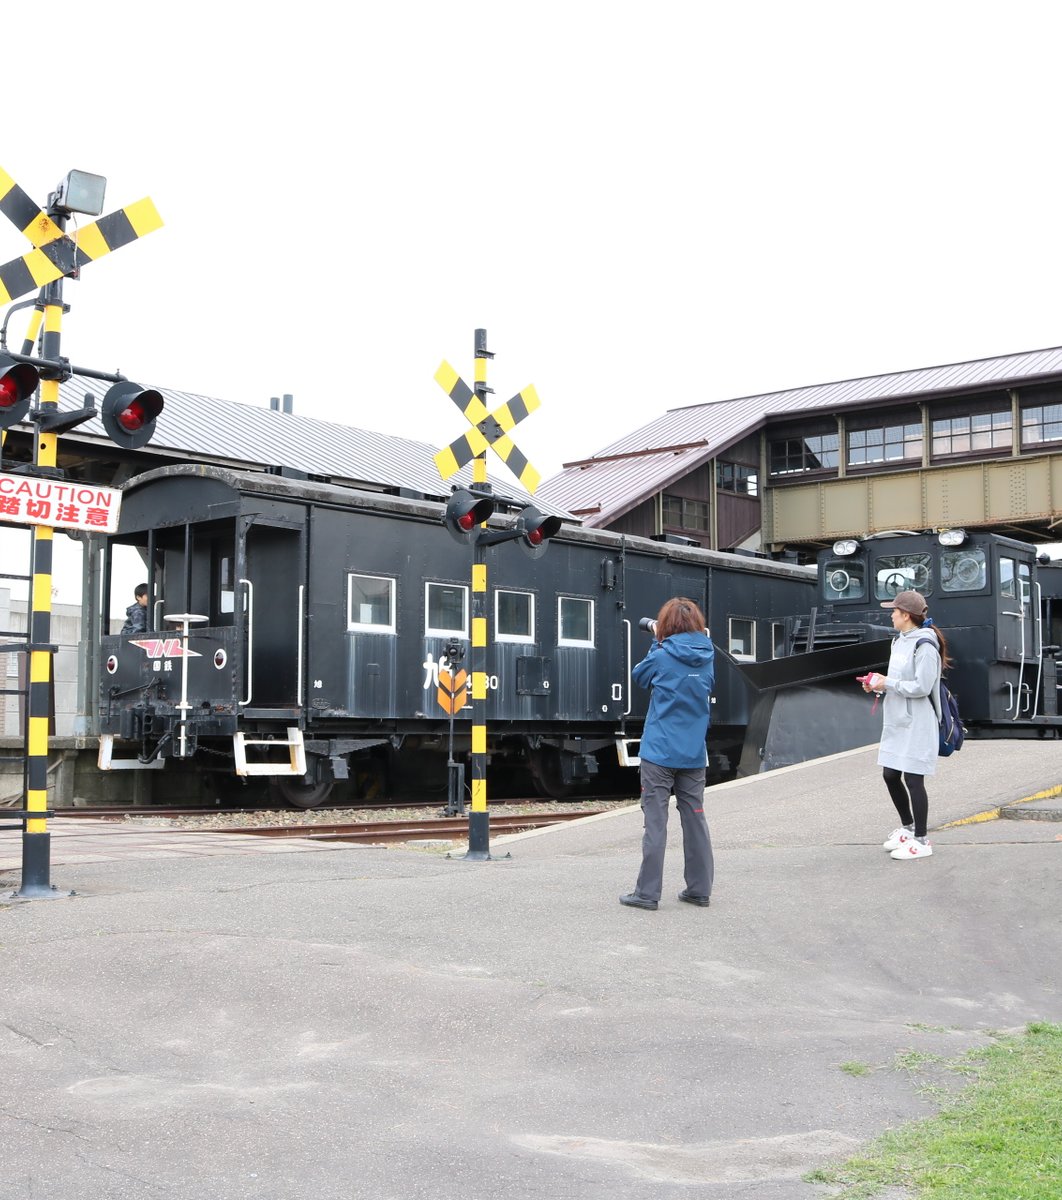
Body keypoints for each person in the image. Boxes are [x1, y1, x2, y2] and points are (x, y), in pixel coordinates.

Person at [620, 596, 716, 910]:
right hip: (693, 752)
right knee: (695, 819)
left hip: (659, 751)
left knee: (656, 822)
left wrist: (656, 644)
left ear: (666, 627)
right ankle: (699, 890)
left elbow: (639, 676)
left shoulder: (661, 655)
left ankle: (647, 894)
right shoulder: (708, 652)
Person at [862, 589, 950, 862]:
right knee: (890, 774)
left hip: (917, 721)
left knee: (913, 778)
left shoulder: (925, 646)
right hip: (898, 718)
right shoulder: (899, 641)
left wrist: (886, 682)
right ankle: (908, 828)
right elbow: (899, 680)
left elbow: (922, 687)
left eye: (894, 611)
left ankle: (922, 840)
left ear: (906, 616)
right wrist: (877, 684)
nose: (891, 615)